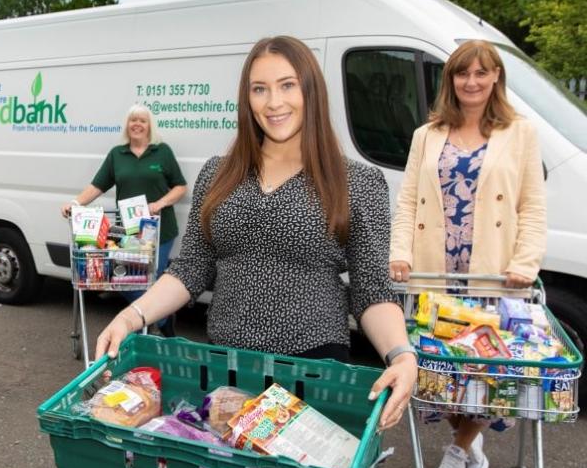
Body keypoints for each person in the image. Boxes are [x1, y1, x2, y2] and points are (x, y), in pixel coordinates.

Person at [95, 36, 416, 432]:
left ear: (311, 91)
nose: (273, 102)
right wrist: (131, 315)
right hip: (227, 366)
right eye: (259, 89)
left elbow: (371, 290)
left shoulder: (357, 182)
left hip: (311, 369)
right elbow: (191, 268)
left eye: (287, 85)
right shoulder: (219, 173)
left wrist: (401, 355)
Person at [389, 39, 546, 468]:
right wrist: (400, 254)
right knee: (444, 373)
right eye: (462, 73)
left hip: (491, 276)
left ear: (496, 76)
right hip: (435, 273)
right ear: (450, 80)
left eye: (481, 72)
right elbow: (407, 203)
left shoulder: (520, 132)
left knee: (484, 372)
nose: (471, 81)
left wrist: (525, 262)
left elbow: (532, 206)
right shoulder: (428, 134)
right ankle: (468, 438)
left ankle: (458, 449)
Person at [60, 104, 187, 336]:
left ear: (150, 126)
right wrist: (76, 203)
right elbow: (97, 185)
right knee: (131, 281)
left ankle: (158, 329)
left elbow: (180, 187)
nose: (137, 124)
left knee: (152, 280)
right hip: (129, 233)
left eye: (142, 120)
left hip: (160, 230)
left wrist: (160, 203)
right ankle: (156, 321)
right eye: (133, 120)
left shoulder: (162, 152)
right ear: (127, 125)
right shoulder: (117, 154)